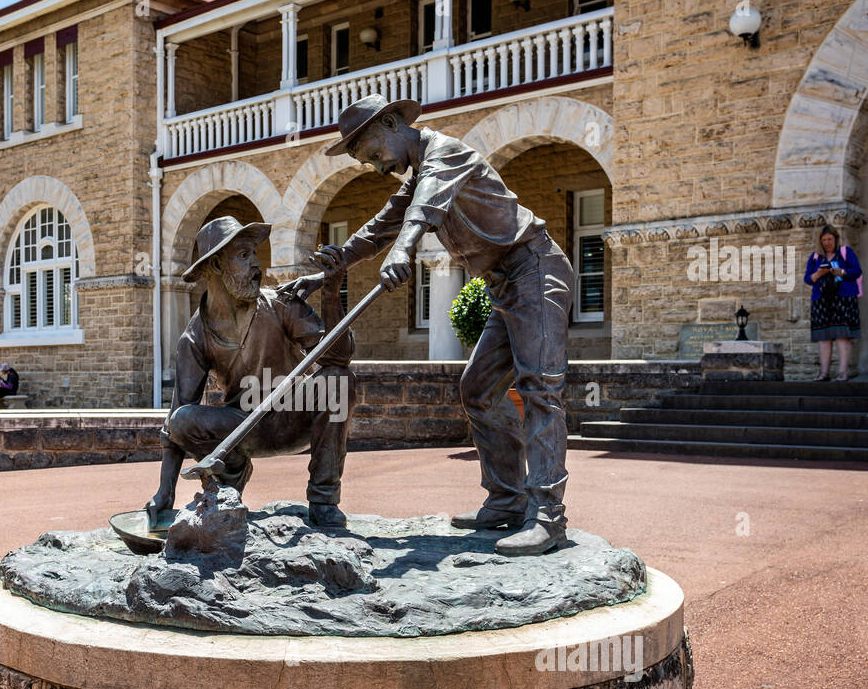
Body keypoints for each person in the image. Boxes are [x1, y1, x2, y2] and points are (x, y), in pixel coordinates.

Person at [304, 94, 574, 556]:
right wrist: (333, 264)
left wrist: (405, 249)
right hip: (506, 286)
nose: (377, 167)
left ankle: (548, 517)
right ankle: (507, 499)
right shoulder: (418, 176)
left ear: (391, 123)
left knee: (540, 388)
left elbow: (422, 209)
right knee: (478, 389)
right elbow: (383, 224)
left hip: (536, 270)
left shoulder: (446, 154)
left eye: (373, 155)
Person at [146, 216, 357, 529]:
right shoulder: (194, 337)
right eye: (244, 256)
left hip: (292, 415)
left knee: (339, 381)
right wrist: (166, 491)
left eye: (254, 254)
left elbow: (340, 357)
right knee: (182, 421)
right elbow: (176, 420)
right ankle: (230, 476)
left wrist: (330, 292)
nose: (257, 265)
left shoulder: (281, 303)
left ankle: (324, 498)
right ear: (216, 266)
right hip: (242, 429)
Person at [803, 225, 862, 381]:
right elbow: (807, 279)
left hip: (843, 298)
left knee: (843, 336)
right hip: (822, 301)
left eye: (830, 239)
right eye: (824, 240)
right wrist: (818, 273)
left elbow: (857, 271)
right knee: (824, 337)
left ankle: (842, 372)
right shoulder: (816, 257)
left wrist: (842, 272)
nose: (827, 243)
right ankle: (824, 373)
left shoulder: (845, 252)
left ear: (836, 239)